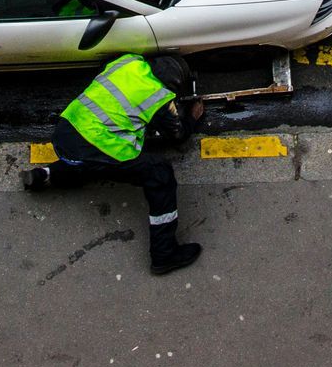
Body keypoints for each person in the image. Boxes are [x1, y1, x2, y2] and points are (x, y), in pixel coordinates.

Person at [22, 53, 207, 276]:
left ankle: (45, 174)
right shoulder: (158, 97)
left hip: (67, 129)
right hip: (95, 144)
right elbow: (177, 135)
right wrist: (192, 118)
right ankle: (164, 254)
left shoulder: (129, 62)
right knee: (159, 173)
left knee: (89, 160)